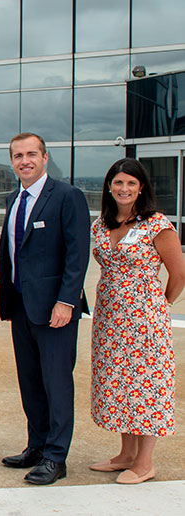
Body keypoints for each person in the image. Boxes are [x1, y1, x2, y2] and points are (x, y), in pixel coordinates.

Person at [0, 132, 90, 485]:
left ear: (45, 157)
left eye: (32, 154)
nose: (25, 161)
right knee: (30, 382)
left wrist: (67, 301)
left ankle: (56, 457)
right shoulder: (14, 198)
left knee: (56, 383)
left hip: (55, 310)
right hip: (21, 306)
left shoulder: (67, 197)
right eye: (18, 155)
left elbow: (76, 255)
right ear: (12, 161)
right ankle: (36, 446)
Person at [88, 158, 185, 484]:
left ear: (141, 187)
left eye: (131, 183)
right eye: (118, 183)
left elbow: (179, 272)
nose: (124, 189)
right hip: (109, 318)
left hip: (145, 321)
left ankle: (144, 462)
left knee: (146, 386)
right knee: (118, 383)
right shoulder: (102, 224)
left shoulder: (157, 225)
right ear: (109, 187)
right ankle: (126, 454)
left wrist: (163, 302)